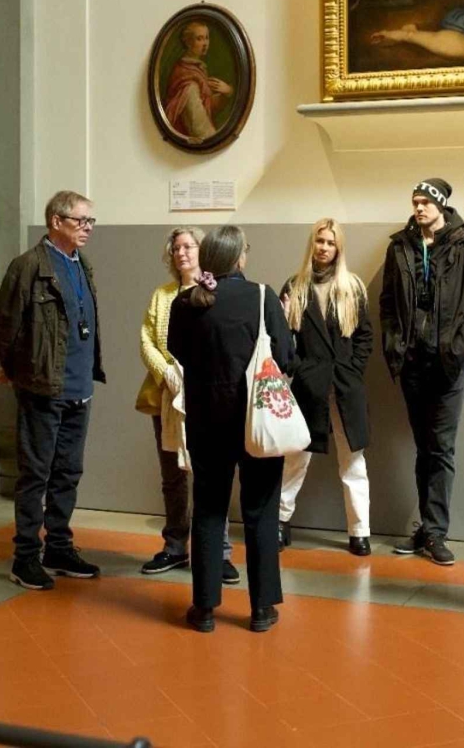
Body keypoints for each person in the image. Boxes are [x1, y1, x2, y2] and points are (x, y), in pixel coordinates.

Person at [168, 226, 294, 632]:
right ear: (239, 257)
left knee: (208, 509)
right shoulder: (261, 296)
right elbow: (286, 355)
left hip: (206, 422)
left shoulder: (186, 302)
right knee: (261, 512)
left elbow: (176, 350)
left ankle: (204, 608)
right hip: (257, 422)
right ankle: (262, 609)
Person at [0, 191, 104, 591]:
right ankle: (25, 557)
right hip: (43, 388)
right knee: (35, 474)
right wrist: (15, 370)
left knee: (68, 472)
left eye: (90, 221)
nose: (88, 228)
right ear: (56, 221)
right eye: (81, 221)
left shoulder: (82, 263)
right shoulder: (28, 266)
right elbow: (3, 325)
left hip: (80, 388)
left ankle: (58, 547)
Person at [379, 179, 464, 566]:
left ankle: (436, 532)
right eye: (415, 201)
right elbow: (388, 301)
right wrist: (394, 342)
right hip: (411, 360)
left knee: (441, 447)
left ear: (441, 205)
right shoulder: (400, 246)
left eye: (426, 201)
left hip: (450, 361)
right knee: (424, 447)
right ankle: (427, 528)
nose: (419, 207)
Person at [133, 226, 239, 585]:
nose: (181, 253)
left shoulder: (217, 291)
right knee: (172, 477)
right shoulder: (162, 295)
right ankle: (175, 545)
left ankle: (219, 552)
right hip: (167, 394)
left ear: (202, 251)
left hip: (208, 397)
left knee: (212, 476)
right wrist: (166, 372)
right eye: (176, 247)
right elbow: (147, 339)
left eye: (188, 246)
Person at [277, 219, 375, 556]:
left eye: (331, 243)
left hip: (346, 388)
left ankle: (359, 531)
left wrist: (352, 369)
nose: (324, 247)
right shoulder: (295, 286)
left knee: (353, 464)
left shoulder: (352, 287)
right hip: (309, 387)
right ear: (312, 244)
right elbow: (283, 339)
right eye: (320, 241)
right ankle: (280, 520)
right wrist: (299, 370)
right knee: (295, 458)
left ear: (338, 248)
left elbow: (365, 337)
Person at [162, 19, 234, 141]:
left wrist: (228, 91)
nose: (205, 43)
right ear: (188, 42)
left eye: (206, 38)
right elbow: (198, 125)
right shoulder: (187, 79)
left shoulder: (196, 69)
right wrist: (213, 141)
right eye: (199, 39)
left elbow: (205, 105)